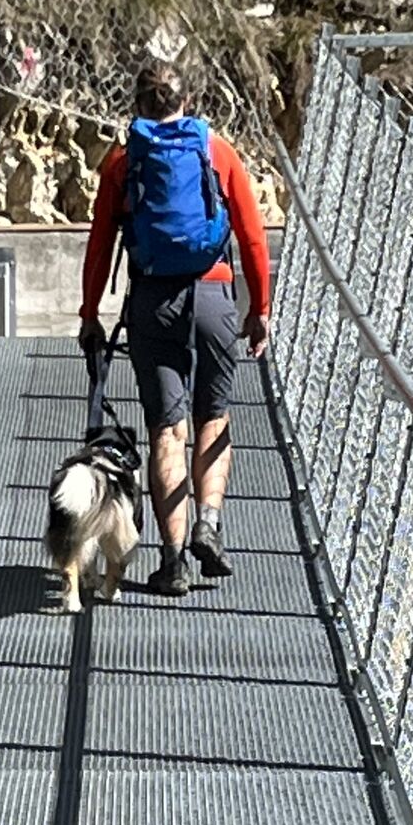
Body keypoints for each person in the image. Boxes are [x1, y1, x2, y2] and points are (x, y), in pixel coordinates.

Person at [78, 61, 271, 596]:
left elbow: (100, 245)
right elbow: (253, 239)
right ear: (190, 100)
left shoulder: (123, 161)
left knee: (168, 429)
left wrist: (89, 313)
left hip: (152, 300)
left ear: (137, 104)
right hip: (213, 296)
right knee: (214, 415)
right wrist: (260, 310)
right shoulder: (217, 151)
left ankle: (174, 559)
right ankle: (209, 524)